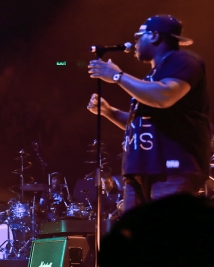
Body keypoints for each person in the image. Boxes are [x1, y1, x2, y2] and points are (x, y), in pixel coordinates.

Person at [88, 15, 210, 211]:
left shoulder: (183, 60)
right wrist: (109, 112)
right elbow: (141, 122)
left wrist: (117, 76)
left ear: (154, 36)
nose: (134, 43)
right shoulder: (150, 78)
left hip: (172, 167)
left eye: (138, 37)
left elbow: (164, 97)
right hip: (140, 168)